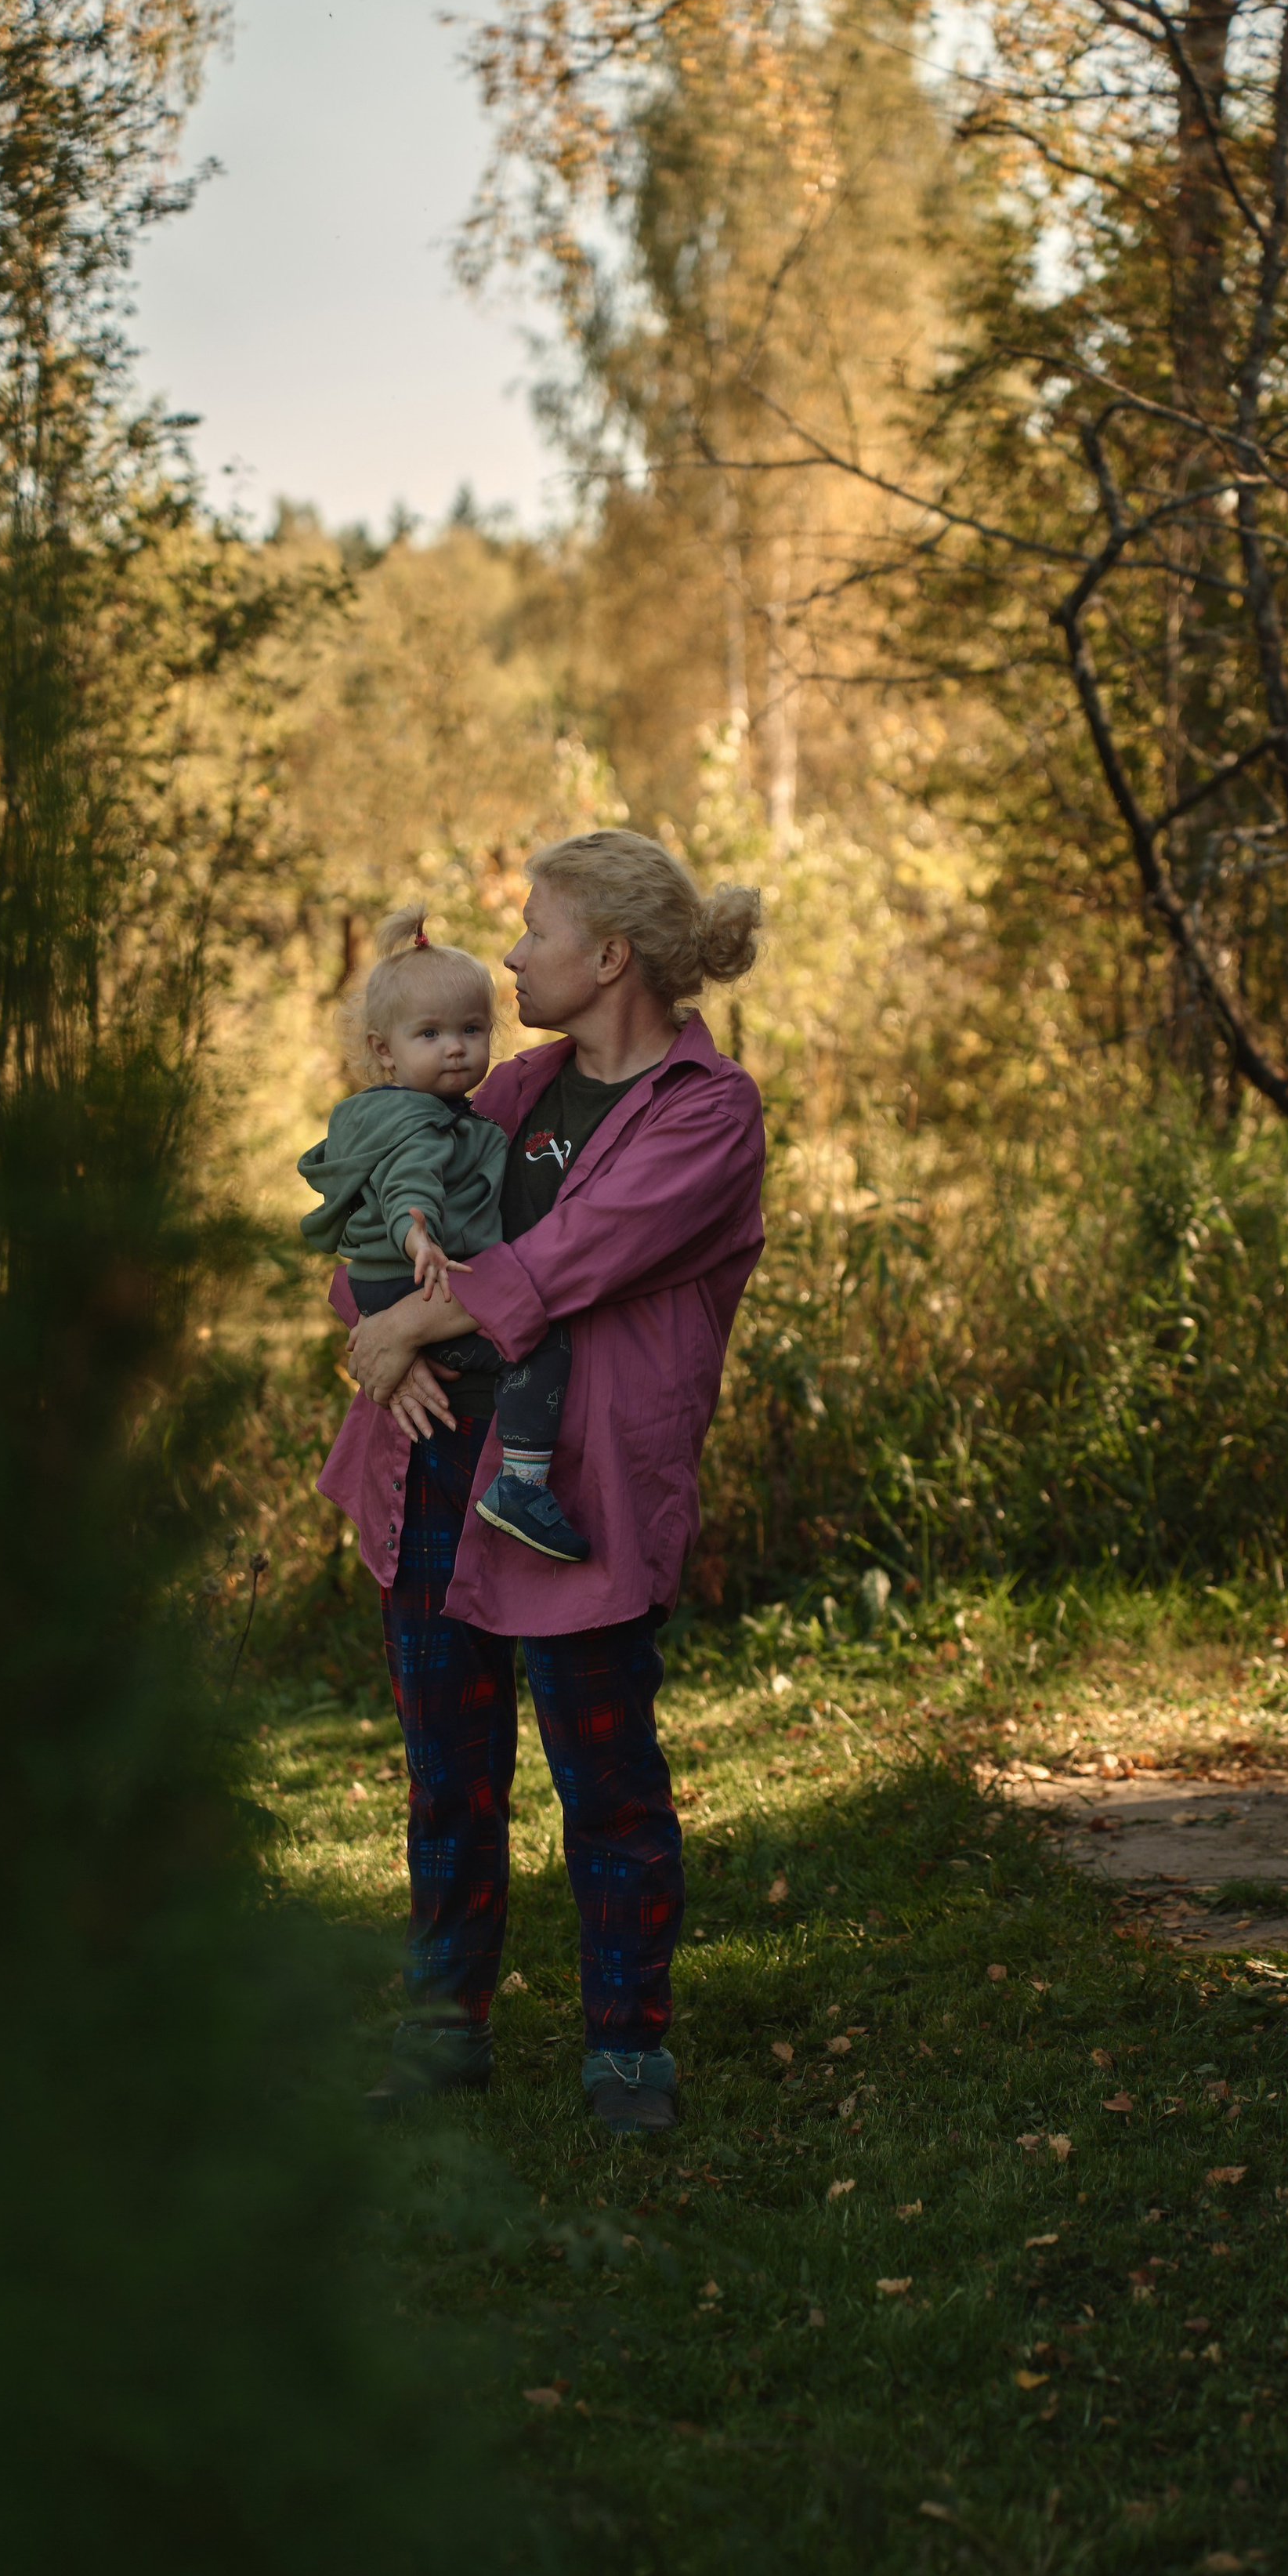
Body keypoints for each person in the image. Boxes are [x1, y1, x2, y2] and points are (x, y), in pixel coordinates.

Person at [317, 828, 765, 2137]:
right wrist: (379, 1328)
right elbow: (379, 1214)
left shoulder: (703, 1112)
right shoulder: (508, 1090)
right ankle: (442, 2033)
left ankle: (628, 2049)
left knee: (605, 1779)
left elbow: (571, 1256)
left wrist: (407, 1324)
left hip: (571, 1501)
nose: (510, 952)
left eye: (535, 928)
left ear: (608, 956)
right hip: (433, 1467)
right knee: (449, 1777)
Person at [295, 907, 591, 1562]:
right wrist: (418, 1237)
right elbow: (410, 1187)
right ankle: (523, 1481)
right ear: (383, 1049)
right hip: (415, 1273)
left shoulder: (397, 1112)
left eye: (471, 1029)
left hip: (386, 1286)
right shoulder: (422, 1124)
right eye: (429, 1034)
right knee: (537, 1344)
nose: (455, 1047)